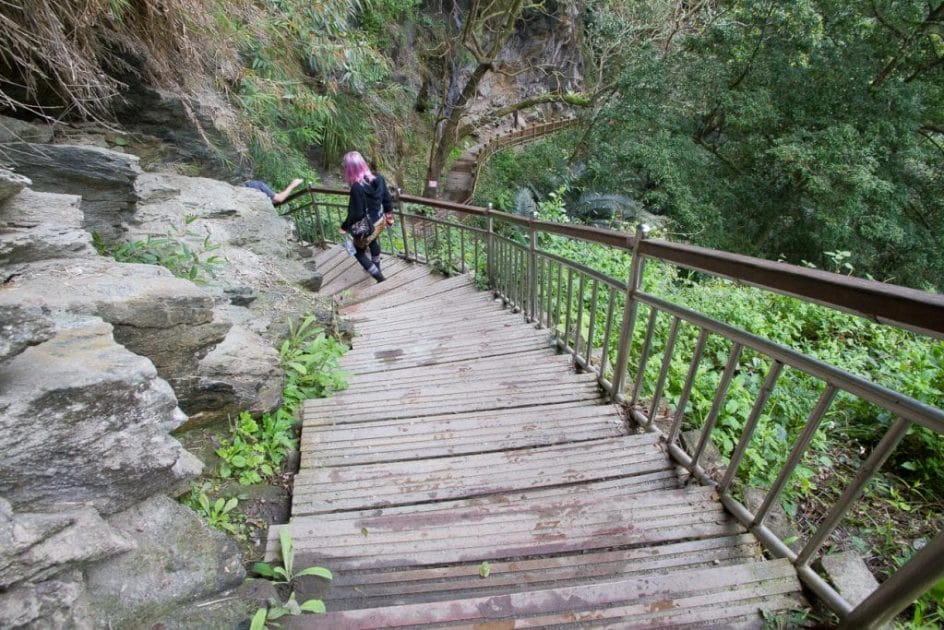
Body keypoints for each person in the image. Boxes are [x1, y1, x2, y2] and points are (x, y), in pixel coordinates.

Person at [339, 151, 394, 283]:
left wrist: (345, 227)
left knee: (357, 251)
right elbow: (387, 199)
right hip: (379, 221)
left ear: (349, 169)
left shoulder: (357, 188)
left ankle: (379, 277)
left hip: (366, 226)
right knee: (373, 241)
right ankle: (377, 266)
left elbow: (356, 213)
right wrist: (389, 214)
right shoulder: (379, 178)